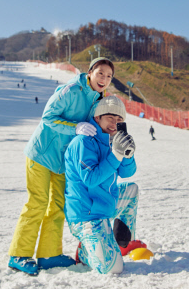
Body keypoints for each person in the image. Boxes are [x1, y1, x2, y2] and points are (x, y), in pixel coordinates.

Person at [7, 57, 116, 276]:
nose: (104, 79)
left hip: (64, 160)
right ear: (90, 72)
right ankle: (19, 254)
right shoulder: (71, 90)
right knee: (37, 202)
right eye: (100, 73)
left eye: (109, 76)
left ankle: (49, 254)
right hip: (42, 153)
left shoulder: (100, 99)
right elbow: (48, 117)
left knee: (57, 206)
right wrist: (75, 127)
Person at [64, 96, 147, 274]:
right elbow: (91, 179)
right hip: (86, 217)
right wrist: (116, 155)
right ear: (97, 118)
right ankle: (85, 251)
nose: (114, 124)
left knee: (132, 189)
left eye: (119, 120)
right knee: (114, 269)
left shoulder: (111, 141)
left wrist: (128, 154)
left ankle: (119, 243)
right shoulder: (83, 142)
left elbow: (127, 173)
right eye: (110, 117)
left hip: (105, 207)